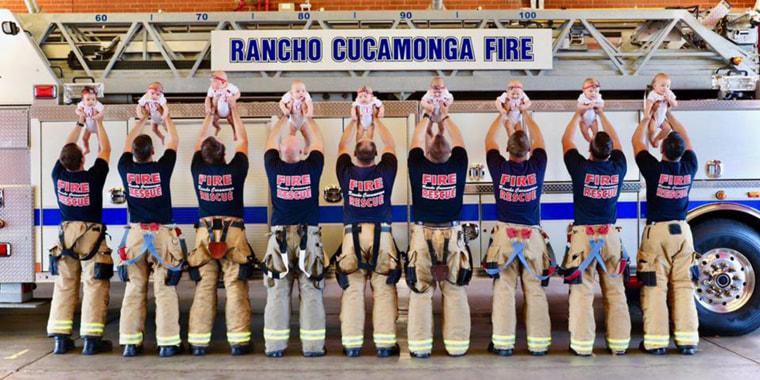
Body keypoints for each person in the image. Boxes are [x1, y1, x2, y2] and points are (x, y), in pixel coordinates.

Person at [483, 111, 554, 356]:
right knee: (534, 289)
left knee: (504, 288)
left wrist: (502, 118)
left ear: (507, 150)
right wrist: (526, 115)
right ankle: (538, 345)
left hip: (505, 235)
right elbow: (540, 141)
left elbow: (489, 142)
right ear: (529, 151)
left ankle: (503, 344)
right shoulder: (538, 165)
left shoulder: (498, 166)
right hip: (532, 237)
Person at [561, 107, 631, 356]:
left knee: (582, 291)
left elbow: (566, 141)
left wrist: (577, 115)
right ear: (611, 152)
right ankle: (620, 344)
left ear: (589, 151)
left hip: (583, 238)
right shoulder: (619, 167)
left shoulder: (580, 168)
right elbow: (619, 142)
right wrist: (601, 116)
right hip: (610, 236)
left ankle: (581, 346)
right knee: (615, 291)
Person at [187, 104, 255, 356]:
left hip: (204, 235)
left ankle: (198, 342)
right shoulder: (235, 169)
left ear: (203, 155)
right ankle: (238, 342)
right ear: (224, 154)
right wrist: (233, 112)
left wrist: (210, 116)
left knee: (204, 286)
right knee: (236, 285)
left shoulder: (198, 169)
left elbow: (199, 141)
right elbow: (243, 140)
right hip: (233, 234)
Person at [632, 107, 700, 356]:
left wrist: (649, 117)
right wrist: (669, 116)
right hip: (683, 233)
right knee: (684, 287)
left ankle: (656, 342)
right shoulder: (690, 166)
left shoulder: (653, 169)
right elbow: (687, 138)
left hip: (657, 234)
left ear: (661, 150)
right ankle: (688, 341)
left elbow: (637, 142)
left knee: (655, 287)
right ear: (683, 152)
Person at [116, 115, 183, 357]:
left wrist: (142, 119)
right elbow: (173, 140)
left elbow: (127, 142)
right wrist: (165, 119)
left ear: (133, 152)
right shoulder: (162, 168)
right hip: (162, 235)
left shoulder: (125, 168)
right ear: (153, 151)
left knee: (134, 288)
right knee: (164, 288)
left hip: (135, 236)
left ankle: (130, 344)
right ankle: (167, 344)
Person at [406, 110, 472, 358]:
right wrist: (443, 118)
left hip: (423, 235)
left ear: (427, 153)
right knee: (455, 290)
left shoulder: (417, 165)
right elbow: (460, 141)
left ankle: (420, 347)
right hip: (452, 235)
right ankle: (457, 347)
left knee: (421, 292)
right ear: (449, 153)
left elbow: (415, 141)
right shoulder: (459, 164)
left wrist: (426, 117)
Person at [334, 118, 401, 358]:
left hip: (352, 238)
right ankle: (384, 345)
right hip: (382, 237)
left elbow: (342, 146)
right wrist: (377, 121)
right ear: (377, 155)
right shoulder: (386, 170)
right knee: (383, 290)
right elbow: (391, 144)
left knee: (352, 290)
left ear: (354, 155)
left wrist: (355, 123)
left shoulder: (345, 171)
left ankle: (351, 345)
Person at [261, 115, 327, 357]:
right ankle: (312, 347)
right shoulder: (312, 166)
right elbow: (318, 140)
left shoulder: (272, 166)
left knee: (278, 291)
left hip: (278, 239)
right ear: (303, 151)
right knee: (311, 290)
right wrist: (305, 119)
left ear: (280, 151)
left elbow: (271, 140)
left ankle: (275, 347)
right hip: (308, 237)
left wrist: (284, 120)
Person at [47, 118, 113, 355]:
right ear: (83, 159)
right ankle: (91, 339)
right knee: (93, 285)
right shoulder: (93, 178)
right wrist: (98, 124)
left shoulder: (58, 176)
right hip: (91, 237)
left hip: (65, 237)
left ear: (62, 162)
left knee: (64, 285)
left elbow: (67, 147)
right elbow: (105, 149)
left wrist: (79, 123)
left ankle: (60, 339)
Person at [205, 71, 241, 140]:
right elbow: (208, 98)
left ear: (223, 82)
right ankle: (217, 127)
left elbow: (238, 93)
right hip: (217, 111)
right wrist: (207, 107)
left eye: (215, 83)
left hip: (229, 111)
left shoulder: (230, 87)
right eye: (211, 82)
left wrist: (233, 98)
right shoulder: (212, 89)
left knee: (232, 121)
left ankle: (235, 131)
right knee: (213, 120)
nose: (212, 85)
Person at [646, 73, 678, 147]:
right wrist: (647, 115)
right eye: (662, 85)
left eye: (668, 86)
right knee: (652, 130)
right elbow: (649, 104)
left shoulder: (669, 93)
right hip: (654, 118)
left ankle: (657, 139)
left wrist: (669, 99)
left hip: (662, 118)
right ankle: (651, 139)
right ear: (655, 86)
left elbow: (675, 104)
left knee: (668, 129)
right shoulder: (653, 94)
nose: (665, 88)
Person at [75, 87, 105, 155]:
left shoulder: (97, 105)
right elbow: (76, 110)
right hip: (88, 127)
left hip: (97, 128)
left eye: (93, 99)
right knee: (84, 139)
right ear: (83, 100)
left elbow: (102, 112)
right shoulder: (82, 104)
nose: (91, 101)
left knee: (100, 140)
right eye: (88, 99)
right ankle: (87, 149)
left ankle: (100, 151)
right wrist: (80, 113)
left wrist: (96, 117)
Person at [577, 78, 604, 143]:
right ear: (584, 91)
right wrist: (587, 106)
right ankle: (589, 140)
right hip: (584, 120)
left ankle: (595, 141)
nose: (593, 94)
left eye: (596, 91)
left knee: (595, 131)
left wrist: (596, 105)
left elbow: (602, 104)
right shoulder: (583, 97)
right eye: (591, 91)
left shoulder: (597, 97)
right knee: (584, 132)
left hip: (593, 120)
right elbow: (579, 106)